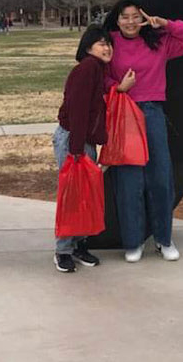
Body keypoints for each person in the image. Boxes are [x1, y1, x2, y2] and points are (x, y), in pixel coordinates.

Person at [102, 0, 183, 263]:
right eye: (125, 16)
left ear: (143, 17)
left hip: (153, 112)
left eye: (136, 16)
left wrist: (164, 23)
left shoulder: (159, 40)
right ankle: (133, 242)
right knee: (129, 179)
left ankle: (163, 239)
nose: (131, 22)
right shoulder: (109, 42)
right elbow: (100, 73)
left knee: (160, 177)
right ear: (117, 19)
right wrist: (118, 86)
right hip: (125, 113)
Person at [52, 27, 114, 273]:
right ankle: (63, 250)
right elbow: (77, 110)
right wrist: (76, 149)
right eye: (100, 43)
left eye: (108, 43)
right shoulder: (87, 69)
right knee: (73, 196)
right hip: (73, 141)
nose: (106, 47)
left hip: (83, 141)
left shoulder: (97, 70)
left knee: (84, 195)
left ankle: (78, 245)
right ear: (87, 48)